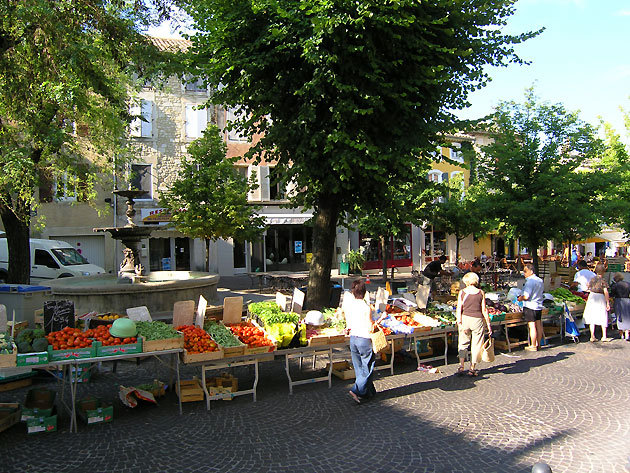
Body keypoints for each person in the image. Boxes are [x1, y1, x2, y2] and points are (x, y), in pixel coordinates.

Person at [344, 279, 381, 404]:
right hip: (364, 339)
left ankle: (368, 392)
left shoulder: (350, 306)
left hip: (353, 338)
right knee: (367, 366)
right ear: (364, 293)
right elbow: (370, 325)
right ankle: (356, 390)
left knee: (359, 367)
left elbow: (348, 323)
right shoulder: (366, 307)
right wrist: (382, 318)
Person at [456, 271, 492, 377]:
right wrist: (488, 324)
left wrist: (459, 322)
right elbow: (484, 309)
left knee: (463, 343)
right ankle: (472, 368)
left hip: (465, 318)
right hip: (477, 320)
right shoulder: (480, 292)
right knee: (476, 344)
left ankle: (461, 365)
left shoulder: (462, 292)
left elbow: (459, 308)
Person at [517, 263, 544, 351]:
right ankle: (539, 344)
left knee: (532, 326)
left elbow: (526, 296)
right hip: (538, 305)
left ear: (531, 271)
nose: (524, 273)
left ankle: (533, 345)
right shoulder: (540, 280)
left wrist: (520, 298)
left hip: (530, 306)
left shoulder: (530, 282)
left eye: (525, 271)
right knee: (539, 325)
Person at [583, 263, 611, 342]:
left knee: (592, 316)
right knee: (602, 315)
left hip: (592, 297)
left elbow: (587, 287)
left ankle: (592, 336)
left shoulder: (592, 279)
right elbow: (605, 292)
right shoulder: (603, 280)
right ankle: (604, 336)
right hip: (600, 298)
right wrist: (608, 302)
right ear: (603, 271)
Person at [610, 272, 630, 341]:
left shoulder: (615, 286)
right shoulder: (628, 284)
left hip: (618, 301)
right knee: (627, 316)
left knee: (619, 317)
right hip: (627, 301)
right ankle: (627, 333)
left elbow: (612, 295)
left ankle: (622, 334)